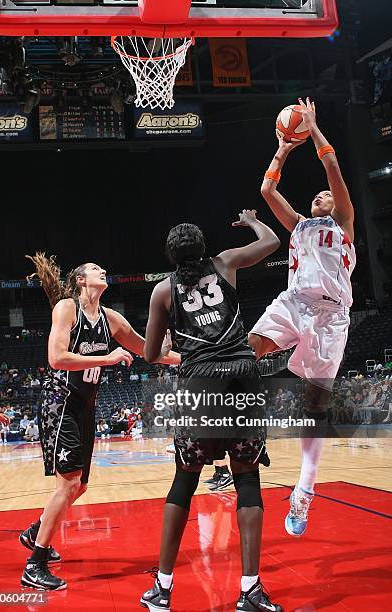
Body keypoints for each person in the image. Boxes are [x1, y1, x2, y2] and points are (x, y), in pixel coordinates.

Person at [141, 215, 283, 612]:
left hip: (200, 382)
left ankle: (163, 590)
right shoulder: (224, 264)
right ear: (202, 248)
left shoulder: (162, 292)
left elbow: (151, 355)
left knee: (184, 482)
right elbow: (272, 242)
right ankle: (250, 590)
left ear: (171, 256)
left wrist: (172, 338)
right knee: (247, 479)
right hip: (242, 375)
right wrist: (254, 222)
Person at [19, 253, 180, 591]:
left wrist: (189, 361)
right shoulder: (67, 308)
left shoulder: (111, 319)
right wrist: (107, 357)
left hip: (85, 405)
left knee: (79, 486)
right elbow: (56, 358)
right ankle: (35, 563)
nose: (102, 269)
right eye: (94, 268)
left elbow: (149, 351)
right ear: (80, 281)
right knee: (68, 484)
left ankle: (36, 530)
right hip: (60, 401)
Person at [248, 98, 356, 537]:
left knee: (315, 407)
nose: (321, 194)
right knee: (246, 350)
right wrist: (283, 149)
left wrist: (312, 130)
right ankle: (243, 432)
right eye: (317, 195)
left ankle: (304, 492)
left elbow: (334, 171)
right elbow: (267, 192)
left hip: (331, 318)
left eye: (325, 194)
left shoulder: (344, 223)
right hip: (294, 302)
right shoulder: (298, 226)